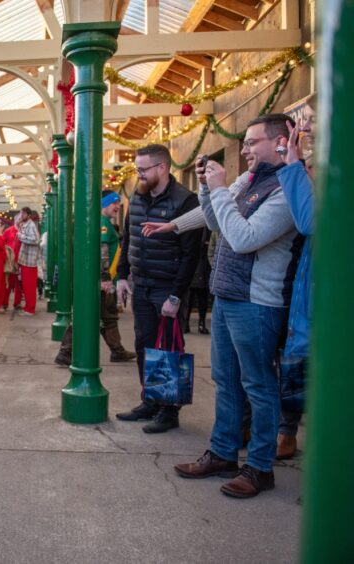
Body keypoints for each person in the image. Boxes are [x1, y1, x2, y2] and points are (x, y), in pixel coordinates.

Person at [174, 114, 301, 499]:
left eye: (252, 142)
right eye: (244, 142)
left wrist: (220, 189)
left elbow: (244, 238)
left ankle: (260, 467)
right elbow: (217, 224)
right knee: (227, 383)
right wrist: (207, 189)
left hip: (257, 303)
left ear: (281, 143)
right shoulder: (248, 181)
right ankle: (223, 453)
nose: (244, 149)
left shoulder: (285, 191)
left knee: (259, 388)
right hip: (227, 297)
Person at [115, 144, 201, 434]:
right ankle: (150, 399)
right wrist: (122, 276)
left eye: (143, 169)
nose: (139, 174)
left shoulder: (185, 201)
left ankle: (169, 410)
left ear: (163, 168)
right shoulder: (137, 198)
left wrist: (176, 295)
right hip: (141, 284)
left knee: (168, 350)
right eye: (137, 169)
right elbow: (129, 238)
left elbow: (191, 255)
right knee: (144, 345)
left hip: (167, 286)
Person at [274, 100, 316, 459]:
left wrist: (292, 167)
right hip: (299, 285)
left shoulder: (301, 175)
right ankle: (285, 432)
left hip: (316, 294)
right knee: (294, 366)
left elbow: (309, 221)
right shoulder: (307, 174)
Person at [54, 191, 136, 366]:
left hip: (100, 280)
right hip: (102, 281)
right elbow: (102, 254)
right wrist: (105, 278)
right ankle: (65, 352)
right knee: (88, 315)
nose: (117, 206)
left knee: (107, 315)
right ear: (103, 204)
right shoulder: (103, 224)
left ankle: (116, 350)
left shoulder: (98, 222)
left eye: (118, 203)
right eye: (113, 203)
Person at [184, 228, 212, 334]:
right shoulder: (206, 227)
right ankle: (200, 324)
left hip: (197, 267)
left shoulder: (198, 227)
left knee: (194, 297)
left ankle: (188, 324)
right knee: (199, 297)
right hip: (200, 267)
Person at [16, 207, 40, 315]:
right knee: (26, 285)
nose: (21, 216)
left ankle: (30, 309)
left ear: (29, 215)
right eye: (21, 213)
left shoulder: (31, 225)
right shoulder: (27, 224)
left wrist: (20, 236)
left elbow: (35, 240)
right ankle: (28, 308)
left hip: (29, 260)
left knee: (29, 285)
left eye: (23, 214)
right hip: (26, 259)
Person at [2, 214, 21, 309]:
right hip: (10, 262)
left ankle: (17, 303)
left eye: (21, 219)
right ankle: (5, 303)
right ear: (15, 220)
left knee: (19, 284)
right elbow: (2, 244)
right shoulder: (8, 231)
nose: (20, 221)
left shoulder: (24, 231)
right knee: (8, 283)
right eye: (18, 219)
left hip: (21, 262)